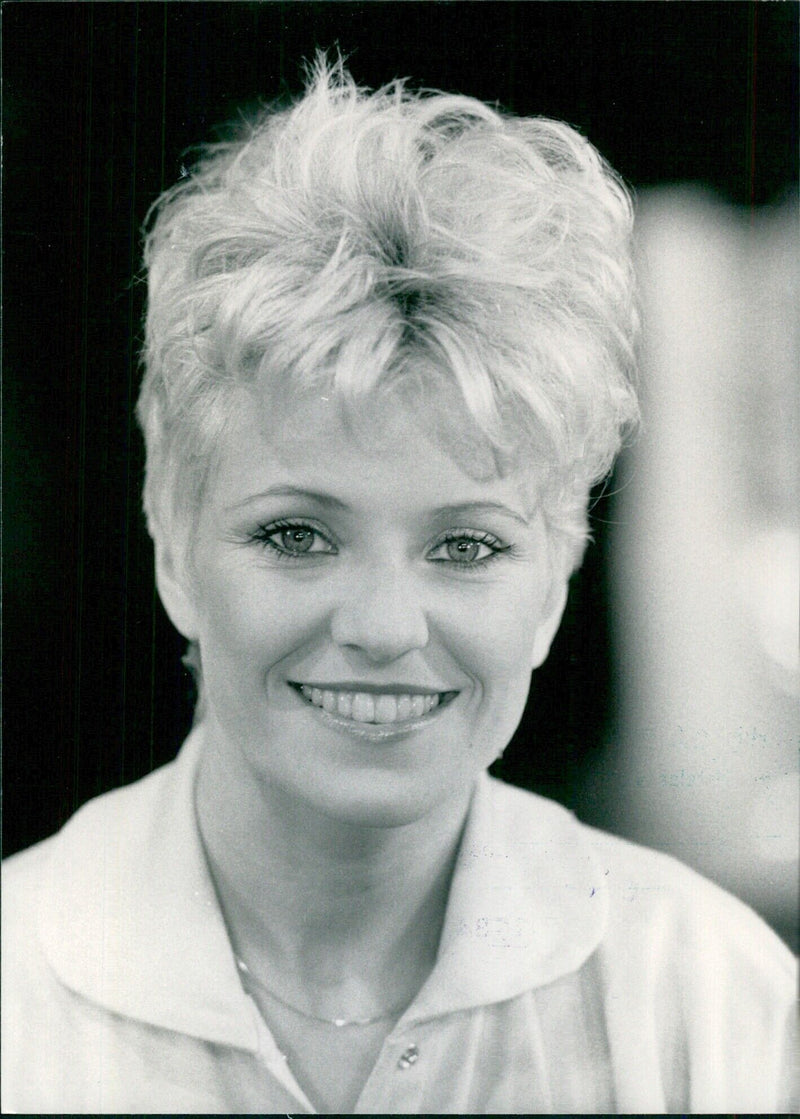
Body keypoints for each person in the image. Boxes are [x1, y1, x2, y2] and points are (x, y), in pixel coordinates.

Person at [2, 57, 796, 1115]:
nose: (382, 625)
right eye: (296, 535)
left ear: (558, 567)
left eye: (465, 547)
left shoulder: (710, 1003)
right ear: (170, 528)